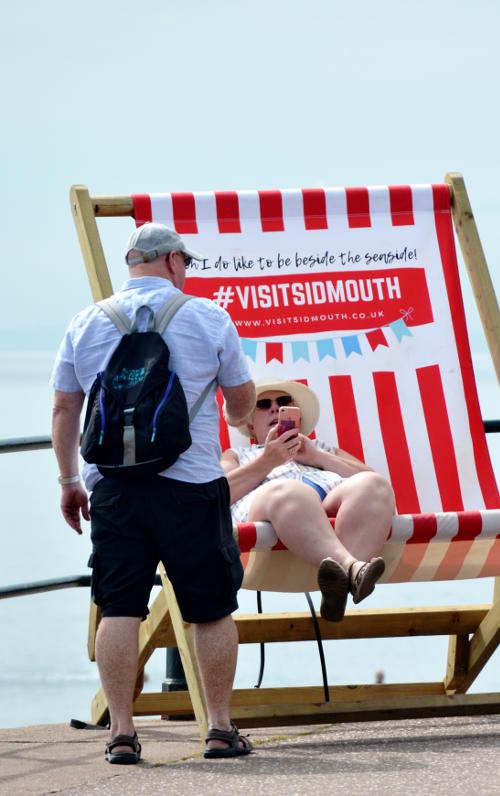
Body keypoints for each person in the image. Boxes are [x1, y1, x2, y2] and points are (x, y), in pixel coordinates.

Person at [51, 223, 256, 762]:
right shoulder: (208, 317)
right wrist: (235, 417)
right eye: (184, 262)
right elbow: (240, 400)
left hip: (115, 489)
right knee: (210, 609)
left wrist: (70, 481)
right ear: (171, 262)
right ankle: (218, 728)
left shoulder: (87, 321)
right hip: (190, 485)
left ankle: (121, 734)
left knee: (119, 608)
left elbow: (64, 409)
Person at [221, 377, 395, 622]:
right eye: (263, 404)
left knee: (375, 486)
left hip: (328, 507)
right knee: (290, 491)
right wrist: (268, 461)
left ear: (297, 417)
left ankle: (339, 584)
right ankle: (353, 568)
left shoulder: (323, 449)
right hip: (273, 510)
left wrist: (317, 457)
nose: (274, 408)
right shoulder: (238, 455)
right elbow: (218, 494)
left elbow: (376, 484)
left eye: (282, 403)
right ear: (250, 424)